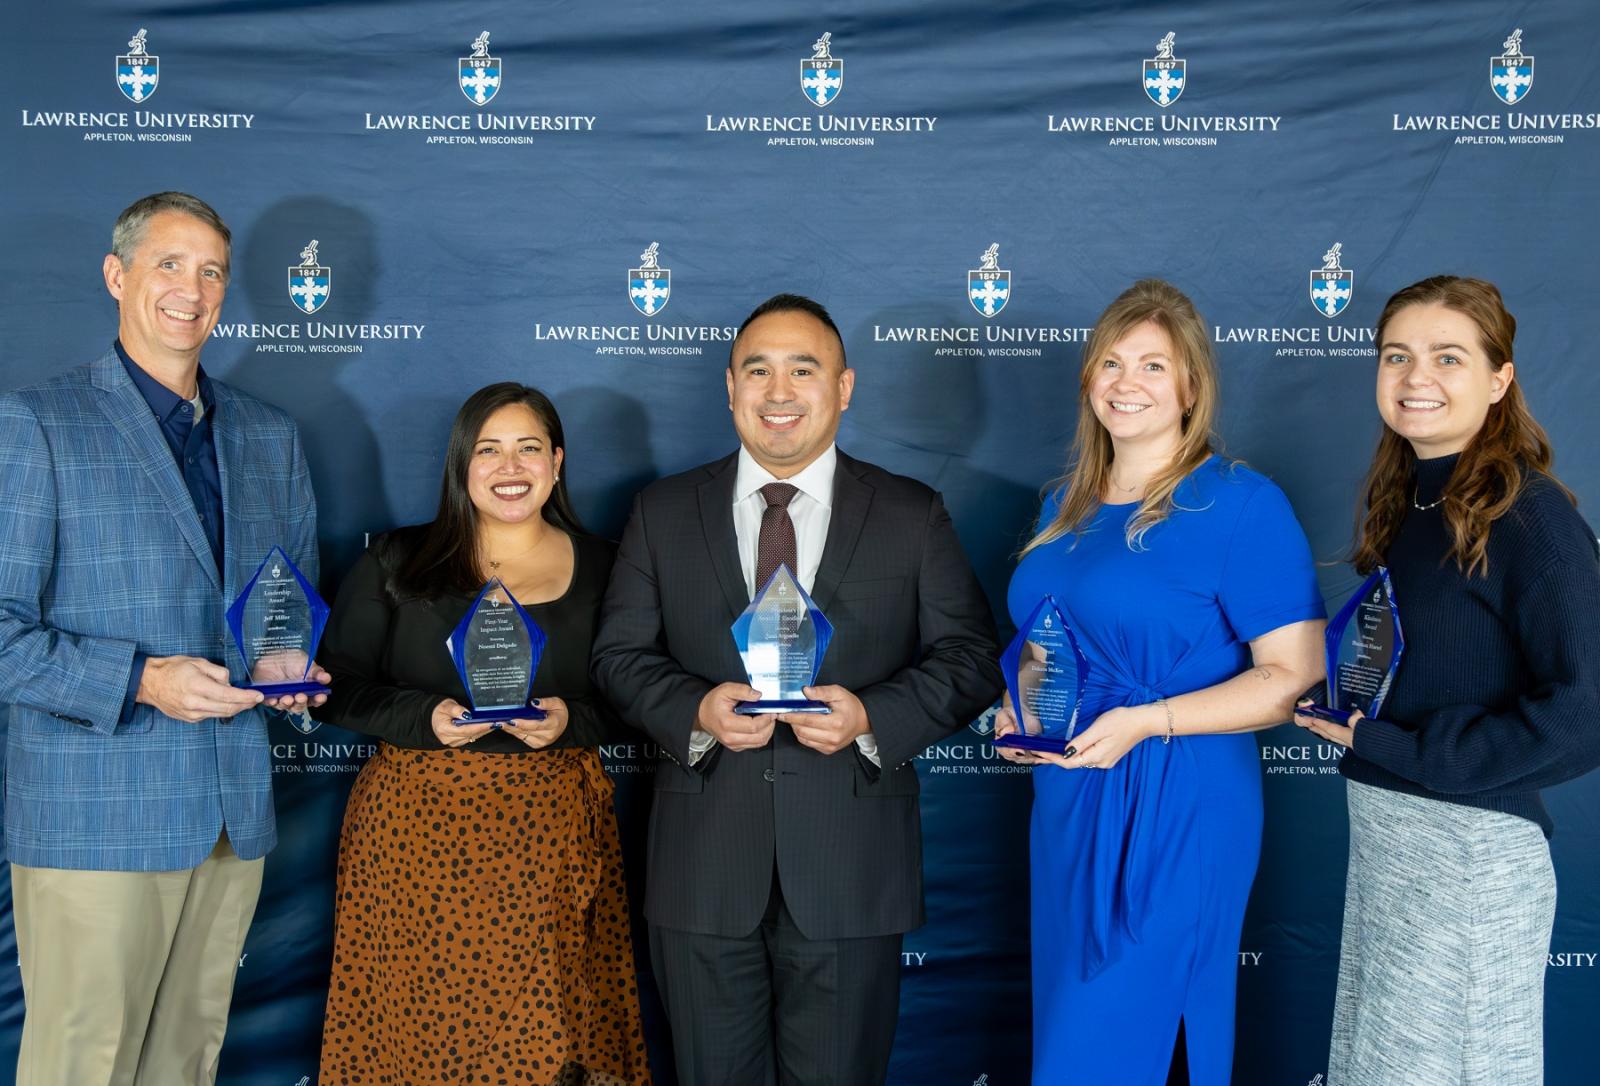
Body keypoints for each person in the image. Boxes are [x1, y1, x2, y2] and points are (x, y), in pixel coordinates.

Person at [591, 293, 1002, 1085]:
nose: (779, 392)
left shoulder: (912, 514)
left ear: (843, 387)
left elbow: (970, 657)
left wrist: (871, 717)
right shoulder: (662, 510)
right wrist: (696, 712)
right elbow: (618, 656)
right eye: (759, 370)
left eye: (802, 370)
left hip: (850, 872)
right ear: (730, 386)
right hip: (703, 872)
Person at [0, 191, 325, 1085]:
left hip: (229, 813)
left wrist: (285, 662)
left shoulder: (267, 435)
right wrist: (143, 680)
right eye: (169, 265)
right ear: (118, 276)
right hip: (96, 818)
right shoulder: (38, 424)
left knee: (186, 1063)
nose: (193, 288)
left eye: (212, 270)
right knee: (82, 1066)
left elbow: (286, 601)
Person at [995, 279, 1325, 1085]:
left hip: (1180, 803)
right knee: (1075, 1037)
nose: (1126, 382)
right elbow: (1044, 648)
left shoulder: (1240, 503)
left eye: (1152, 364)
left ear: (1189, 387)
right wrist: (1013, 711)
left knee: (1151, 1026)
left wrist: (1149, 721)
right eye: (1110, 362)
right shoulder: (1061, 507)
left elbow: (1294, 677)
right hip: (1071, 804)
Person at [1294, 276, 1600, 1085]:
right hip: (1393, 844)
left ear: (1499, 380)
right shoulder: (1413, 506)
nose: (1415, 377)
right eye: (1397, 356)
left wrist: (1413, 750)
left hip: (1467, 857)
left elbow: (1585, 711)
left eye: (1447, 357)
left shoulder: (1532, 517)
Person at [313, 383, 650, 1085]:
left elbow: (643, 691)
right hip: (413, 841)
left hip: (549, 841)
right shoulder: (396, 561)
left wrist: (570, 722)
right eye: (489, 449)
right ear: (461, 464)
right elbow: (332, 687)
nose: (510, 466)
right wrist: (421, 720)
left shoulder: (609, 566)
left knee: (548, 1038)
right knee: (414, 1038)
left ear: (556, 463)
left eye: (529, 448)